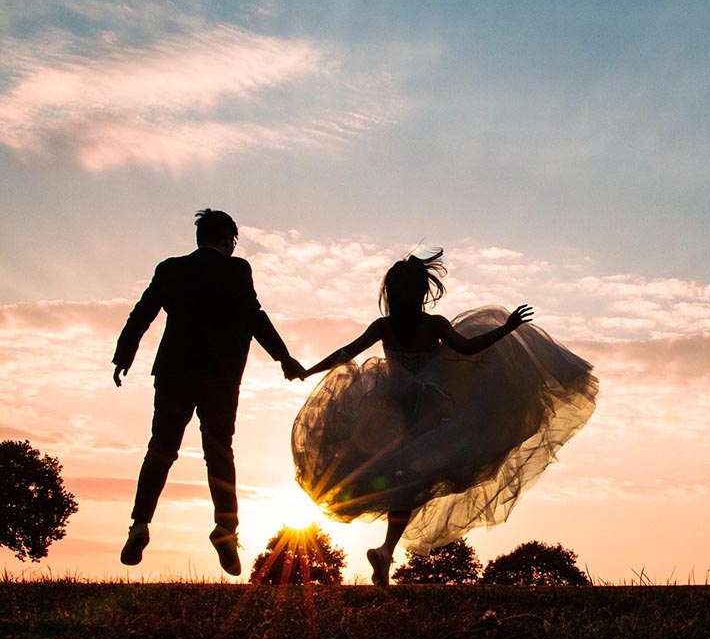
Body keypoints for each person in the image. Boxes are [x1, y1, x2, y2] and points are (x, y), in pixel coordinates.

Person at [293, 249, 598, 586]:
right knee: (406, 481)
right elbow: (467, 349)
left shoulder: (388, 326)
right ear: (421, 291)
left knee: (401, 482)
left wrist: (309, 370)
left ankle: (386, 551)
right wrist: (506, 328)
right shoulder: (429, 324)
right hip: (424, 413)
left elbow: (345, 354)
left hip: (392, 413)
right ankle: (386, 551)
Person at [113, 208, 305, 576]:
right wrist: (284, 358)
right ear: (228, 240)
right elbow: (254, 316)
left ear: (199, 237)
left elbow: (143, 312)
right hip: (220, 376)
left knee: (161, 447)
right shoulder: (236, 270)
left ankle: (139, 524)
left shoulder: (170, 269)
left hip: (173, 372)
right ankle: (225, 529)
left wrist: (124, 354)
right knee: (218, 451)